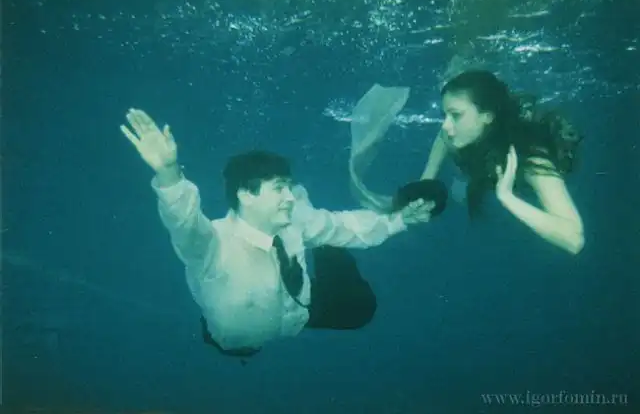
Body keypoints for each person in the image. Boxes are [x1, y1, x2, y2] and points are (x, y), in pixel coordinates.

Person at [120, 108, 434, 358]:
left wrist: (399, 221)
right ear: (246, 194)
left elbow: (346, 226)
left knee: (359, 307)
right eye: (279, 188)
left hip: (298, 314)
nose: (289, 196)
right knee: (234, 344)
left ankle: (323, 248)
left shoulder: (295, 218)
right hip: (235, 336)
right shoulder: (211, 245)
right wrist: (168, 172)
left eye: (289, 187)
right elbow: (183, 222)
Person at [420, 70, 585, 255]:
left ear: (487, 116)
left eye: (456, 115)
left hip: (507, 170)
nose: (445, 125)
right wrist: (427, 178)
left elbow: (574, 239)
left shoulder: (531, 158)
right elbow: (443, 137)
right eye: (445, 115)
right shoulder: (457, 132)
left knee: (461, 192)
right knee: (461, 191)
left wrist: (507, 197)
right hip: (480, 165)